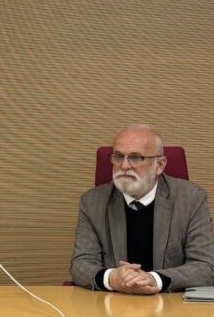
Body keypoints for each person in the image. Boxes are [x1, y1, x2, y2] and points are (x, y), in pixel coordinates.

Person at [70, 124, 214, 293]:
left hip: (170, 303)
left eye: (136, 157)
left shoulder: (191, 199)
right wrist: (112, 278)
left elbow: (206, 267)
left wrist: (154, 279)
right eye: (118, 156)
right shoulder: (93, 202)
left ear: (160, 165)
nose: (124, 166)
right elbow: (80, 265)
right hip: (114, 301)